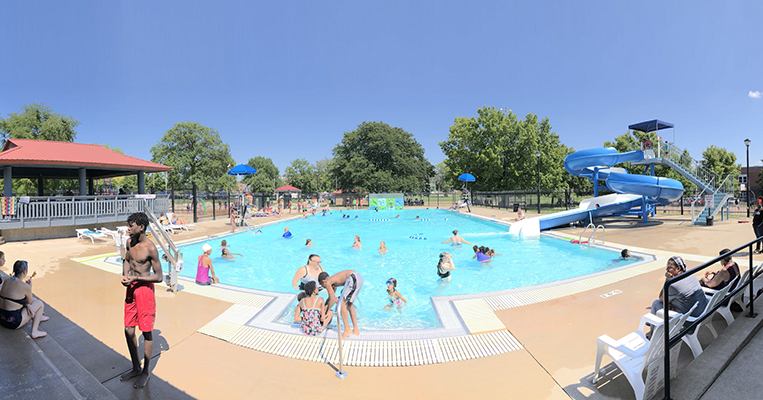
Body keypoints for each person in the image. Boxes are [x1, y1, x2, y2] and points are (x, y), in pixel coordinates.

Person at [120, 212, 163, 388]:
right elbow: (127, 260)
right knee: (128, 330)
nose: (128, 228)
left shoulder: (150, 248)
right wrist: (125, 275)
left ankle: (145, 372)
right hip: (131, 289)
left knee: (146, 332)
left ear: (141, 227)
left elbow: (159, 277)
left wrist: (136, 279)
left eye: (131, 225)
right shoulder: (129, 242)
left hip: (145, 291)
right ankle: (136, 367)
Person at [648, 256, 707, 335]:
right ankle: (655, 325)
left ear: (678, 268)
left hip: (689, 321)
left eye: (670, 267)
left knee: (656, 304)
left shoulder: (674, 285)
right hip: (702, 313)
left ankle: (651, 335)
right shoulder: (691, 275)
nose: (667, 270)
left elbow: (661, 298)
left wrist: (667, 280)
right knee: (668, 303)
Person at [0, 260, 48, 338]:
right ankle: (35, 331)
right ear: (24, 272)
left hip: (1, 318)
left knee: (34, 300)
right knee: (39, 303)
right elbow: (29, 302)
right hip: (13, 322)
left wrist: (27, 304)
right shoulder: (25, 286)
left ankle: (38, 317)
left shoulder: (7, 281)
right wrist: (30, 287)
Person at [319, 270, 363, 339]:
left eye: (321, 285)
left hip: (353, 278)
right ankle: (356, 330)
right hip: (358, 277)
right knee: (349, 304)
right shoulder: (332, 281)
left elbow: (333, 299)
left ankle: (347, 329)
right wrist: (324, 309)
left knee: (341, 303)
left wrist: (326, 312)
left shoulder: (328, 283)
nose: (324, 287)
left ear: (323, 281)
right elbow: (330, 298)